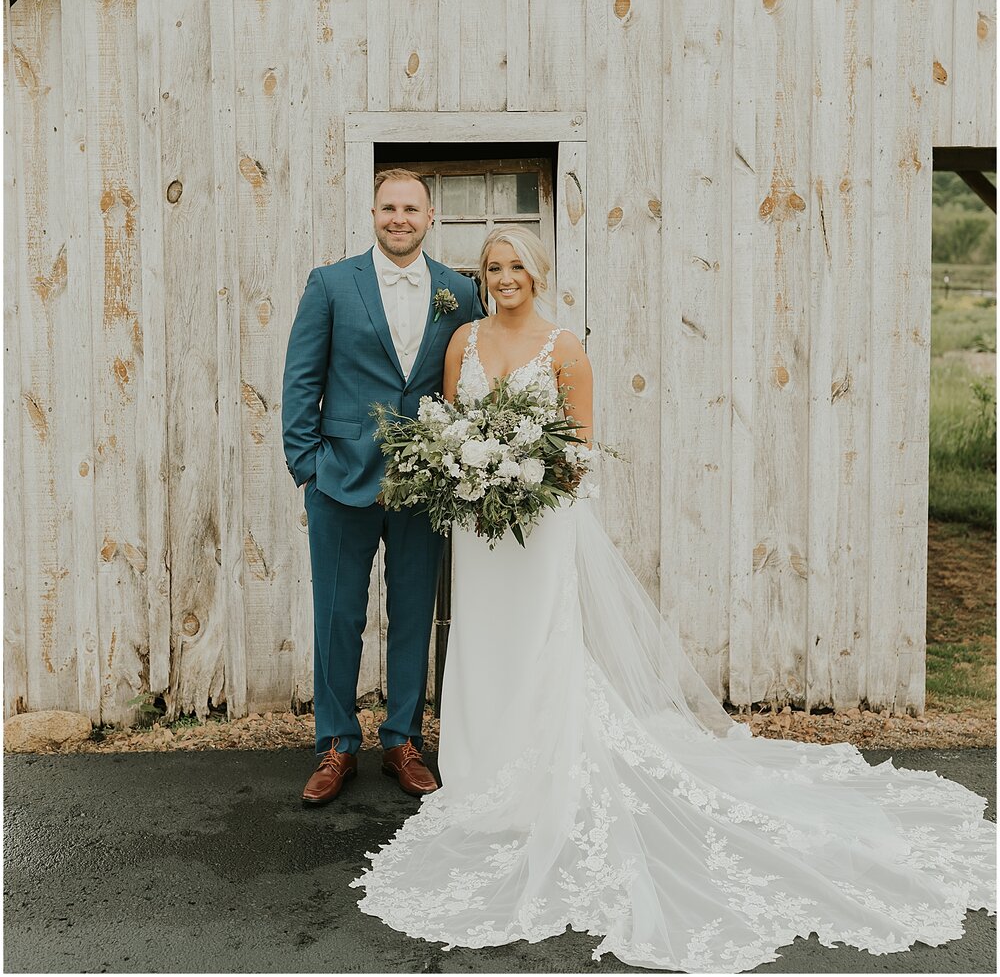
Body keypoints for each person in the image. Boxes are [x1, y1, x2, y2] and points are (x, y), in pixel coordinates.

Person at [352, 226, 996, 972]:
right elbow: (450, 425)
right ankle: (479, 769)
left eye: (516, 267)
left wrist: (519, 476)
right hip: (477, 525)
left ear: (538, 272)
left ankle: (540, 777)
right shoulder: (461, 341)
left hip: (538, 526)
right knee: (482, 642)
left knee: (537, 643)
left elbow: (580, 453)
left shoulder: (565, 349)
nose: (504, 278)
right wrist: (471, 472)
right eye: (493, 268)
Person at [281, 169, 486, 805]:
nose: (399, 218)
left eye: (412, 208)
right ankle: (337, 746)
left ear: (431, 217)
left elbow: (470, 381)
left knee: (413, 613)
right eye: (388, 207)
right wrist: (307, 465)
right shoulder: (332, 284)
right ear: (373, 213)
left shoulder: (458, 291)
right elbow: (300, 380)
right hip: (340, 478)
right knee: (338, 616)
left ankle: (403, 740)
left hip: (424, 486)